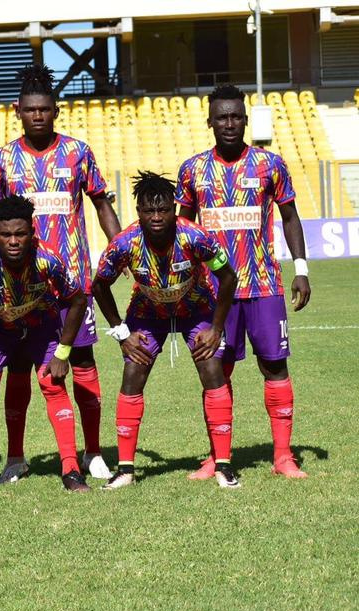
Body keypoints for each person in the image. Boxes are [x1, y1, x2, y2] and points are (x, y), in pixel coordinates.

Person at [0, 64, 122, 485]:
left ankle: (93, 451)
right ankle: (16, 457)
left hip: (73, 282)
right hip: (18, 287)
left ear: (55, 110)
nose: (38, 116)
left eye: (45, 109)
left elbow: (100, 203)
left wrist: (120, 252)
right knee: (20, 368)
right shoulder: (3, 158)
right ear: (17, 111)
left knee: (81, 360)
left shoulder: (78, 152)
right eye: (30, 110)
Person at [177, 84, 311, 480]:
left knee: (275, 366)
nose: (230, 124)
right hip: (214, 292)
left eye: (236, 117)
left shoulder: (270, 164)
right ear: (210, 122)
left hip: (264, 284)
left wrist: (300, 268)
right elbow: (183, 228)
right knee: (216, 371)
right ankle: (218, 458)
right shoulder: (193, 170)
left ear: (245, 120)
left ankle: (283, 456)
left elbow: (289, 217)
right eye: (222, 117)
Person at [92, 171, 240, 489]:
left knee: (213, 370)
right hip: (147, 314)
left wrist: (216, 328)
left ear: (174, 209)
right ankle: (126, 470)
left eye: (163, 210)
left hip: (195, 309)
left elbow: (228, 277)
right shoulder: (124, 243)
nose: (156, 217)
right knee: (133, 374)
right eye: (149, 211)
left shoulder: (194, 236)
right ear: (139, 212)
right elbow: (99, 286)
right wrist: (121, 332)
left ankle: (224, 465)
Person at [0, 195, 92, 494]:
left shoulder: (48, 258)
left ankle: (71, 470)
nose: (13, 241)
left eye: (20, 233)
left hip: (41, 326)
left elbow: (77, 300)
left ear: (32, 231)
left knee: (53, 384)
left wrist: (63, 351)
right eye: (5, 235)